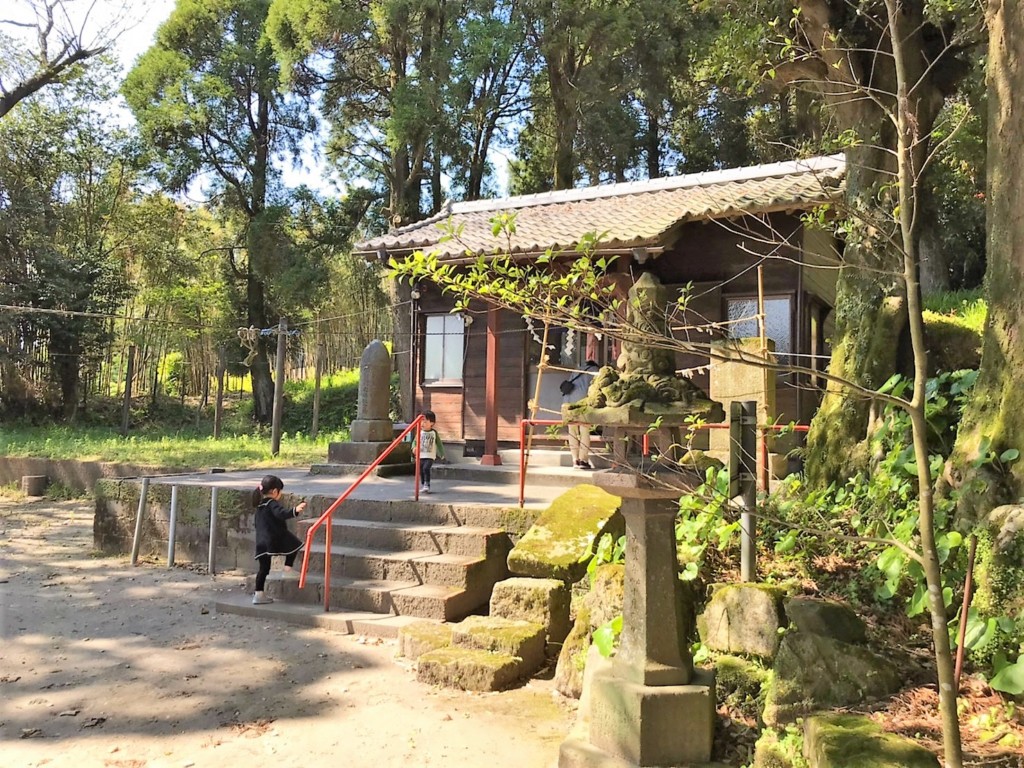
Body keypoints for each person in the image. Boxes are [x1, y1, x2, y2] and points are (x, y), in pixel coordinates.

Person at [251, 474, 307, 605]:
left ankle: (258, 594)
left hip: (261, 542)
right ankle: (287, 569)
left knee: (263, 569)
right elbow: (281, 514)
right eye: (280, 491)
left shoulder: (259, 507)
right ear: (275, 491)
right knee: (295, 544)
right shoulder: (272, 504)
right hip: (274, 538)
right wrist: (295, 510)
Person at [562, 359, 600, 469]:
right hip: (582, 402)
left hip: (568, 401)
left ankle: (575, 459)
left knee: (572, 431)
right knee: (584, 430)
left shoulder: (577, 369)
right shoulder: (596, 371)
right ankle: (583, 460)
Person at [417, 410, 445, 494]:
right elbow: (415, 441)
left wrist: (442, 453)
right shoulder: (420, 432)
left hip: (430, 455)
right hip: (421, 455)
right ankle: (423, 483)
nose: (422, 424)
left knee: (426, 468)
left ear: (432, 423)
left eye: (425, 422)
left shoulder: (434, 433)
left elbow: (439, 443)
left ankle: (427, 484)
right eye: (421, 421)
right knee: (421, 470)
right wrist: (413, 448)